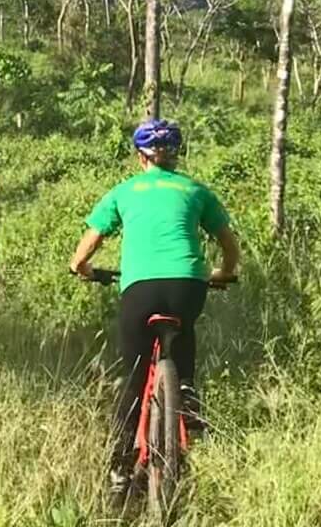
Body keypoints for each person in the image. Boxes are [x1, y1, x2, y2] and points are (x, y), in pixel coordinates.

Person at [69, 118, 239, 502]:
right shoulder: (196, 190)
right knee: (183, 330)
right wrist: (224, 274)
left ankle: (119, 471)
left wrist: (82, 269)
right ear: (177, 155)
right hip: (187, 285)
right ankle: (187, 397)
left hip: (139, 288)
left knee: (132, 379)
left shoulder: (124, 191)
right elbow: (230, 246)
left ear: (139, 156)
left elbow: (86, 247)